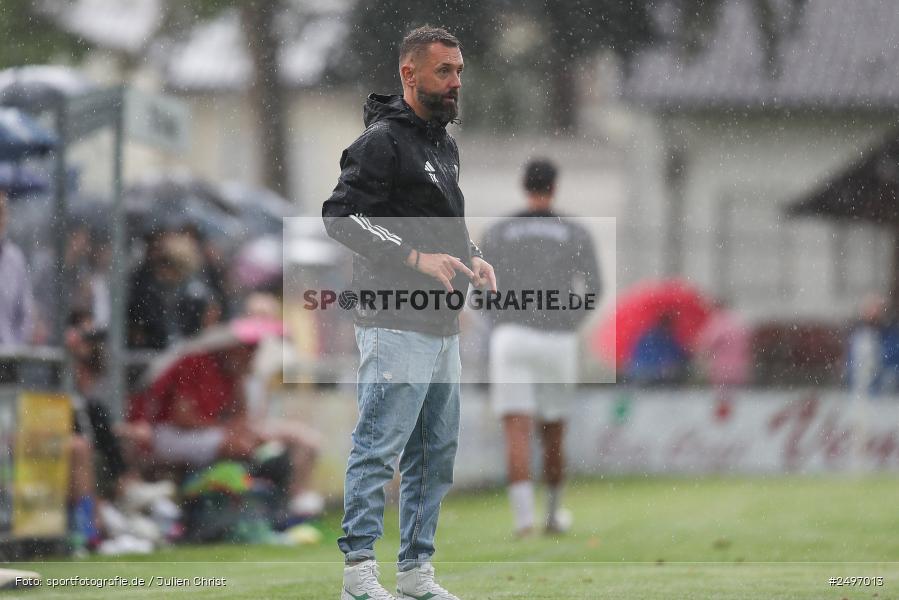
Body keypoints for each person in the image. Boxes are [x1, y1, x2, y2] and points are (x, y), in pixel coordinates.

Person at [322, 26, 495, 600]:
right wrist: (416, 258)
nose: (455, 82)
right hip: (392, 322)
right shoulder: (381, 142)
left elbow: (443, 226)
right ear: (409, 74)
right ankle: (357, 575)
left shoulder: (444, 145)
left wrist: (472, 258)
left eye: (459, 70)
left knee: (435, 456)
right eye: (444, 70)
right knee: (379, 449)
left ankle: (417, 573)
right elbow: (340, 216)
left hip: (442, 327)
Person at [479, 158, 601, 537]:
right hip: (557, 339)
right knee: (553, 430)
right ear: (555, 186)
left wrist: (500, 320)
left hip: (512, 335)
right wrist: (568, 322)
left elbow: (479, 286)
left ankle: (522, 521)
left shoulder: (499, 231)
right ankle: (553, 514)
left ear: (523, 184)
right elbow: (594, 288)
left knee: (516, 429)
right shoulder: (575, 232)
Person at [0, 190, 35, 346]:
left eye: (2, 213)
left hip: (7, 357)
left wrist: (15, 345)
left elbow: (25, 312)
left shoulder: (15, 258)